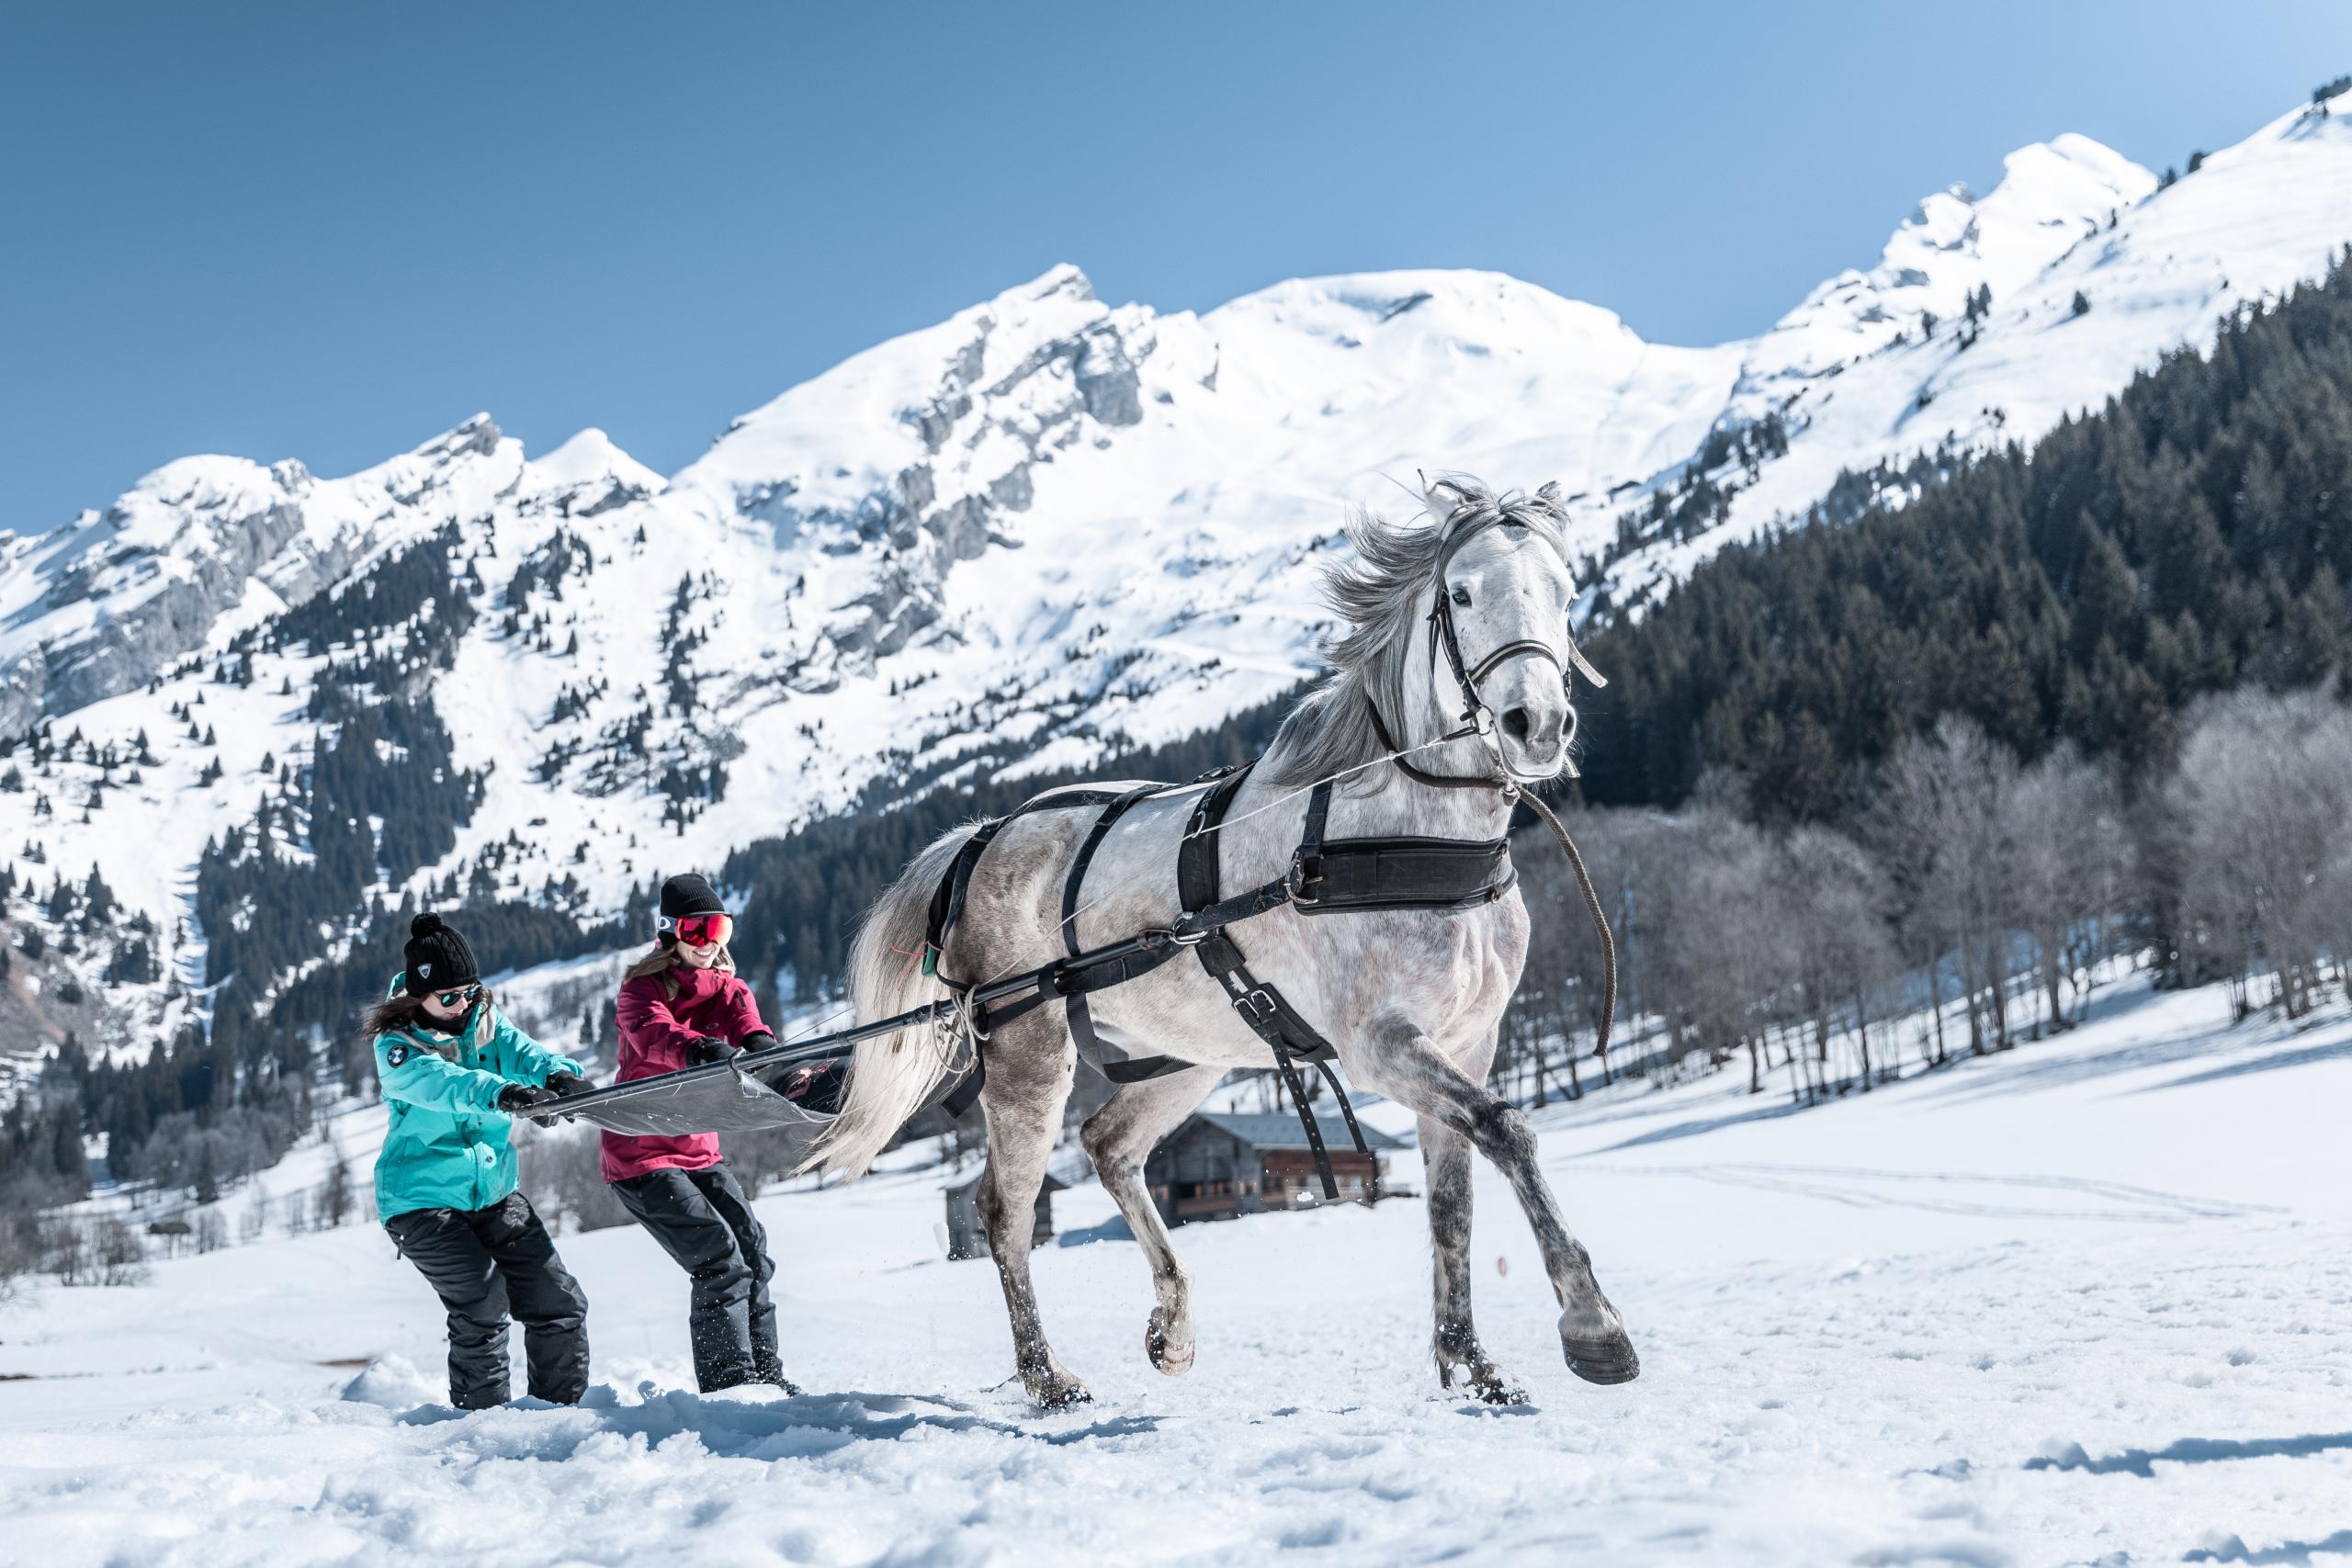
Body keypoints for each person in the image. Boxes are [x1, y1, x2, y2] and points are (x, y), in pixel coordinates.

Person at [369, 912, 597, 1409]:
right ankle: (485, 1426)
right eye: (448, 997)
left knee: (557, 1302)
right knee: (483, 1302)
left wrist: (557, 1076)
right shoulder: (397, 1048)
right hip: (420, 1201)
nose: (462, 1005)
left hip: (493, 1193)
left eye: (470, 991)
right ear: (417, 995)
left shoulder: (484, 1021)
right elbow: (445, 1084)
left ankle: (558, 1416)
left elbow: (523, 1052)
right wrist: (506, 1093)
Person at [603, 873, 799, 1394]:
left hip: (697, 1149)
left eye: (721, 930)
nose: (711, 944)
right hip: (640, 1152)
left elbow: (747, 1024)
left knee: (753, 1254)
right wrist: (698, 1050)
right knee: (719, 1259)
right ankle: (731, 1389)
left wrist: (764, 1051)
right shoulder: (639, 990)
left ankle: (767, 1379)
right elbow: (653, 1035)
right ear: (672, 932)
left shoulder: (729, 987)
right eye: (699, 931)